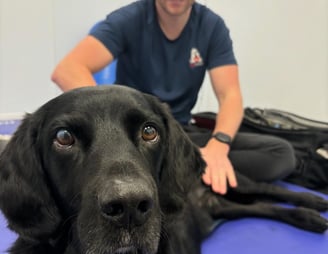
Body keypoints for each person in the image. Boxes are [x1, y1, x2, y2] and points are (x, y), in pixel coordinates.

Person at [51, 0, 296, 195]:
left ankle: (185, 172)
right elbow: (67, 70)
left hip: (179, 133)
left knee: (281, 154)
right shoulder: (129, 19)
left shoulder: (211, 27)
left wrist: (218, 146)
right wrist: (110, 117)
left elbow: (230, 94)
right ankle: (188, 174)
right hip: (135, 138)